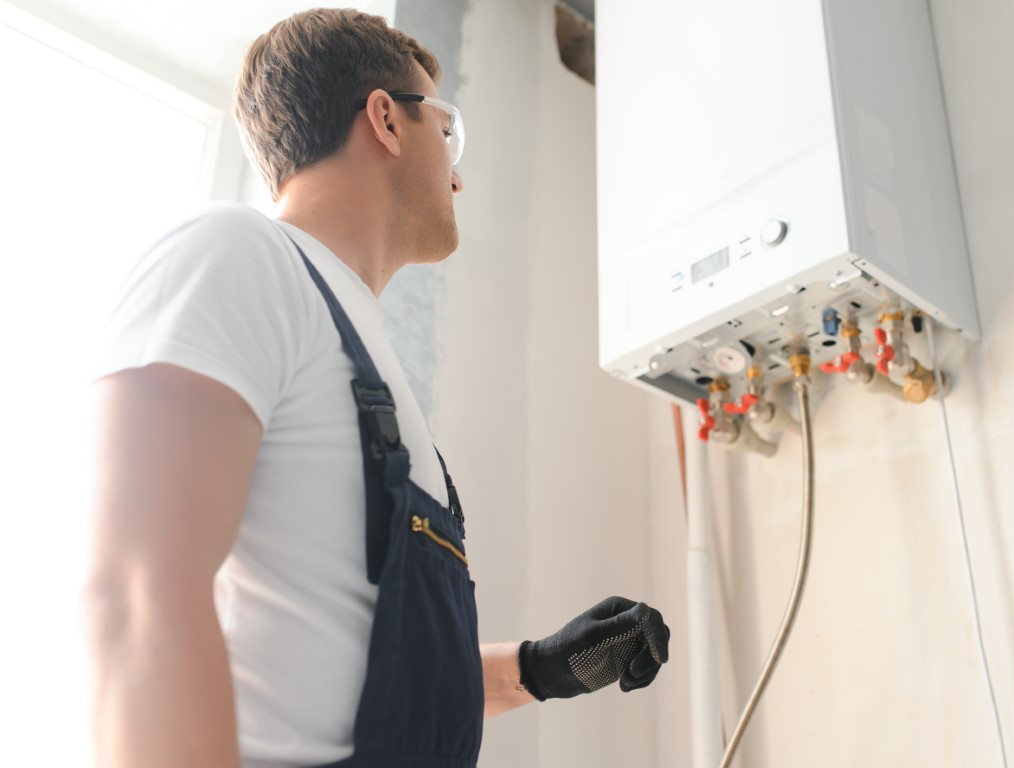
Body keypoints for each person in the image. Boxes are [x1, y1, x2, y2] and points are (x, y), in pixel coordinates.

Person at [85, 8, 670, 768]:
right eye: (448, 132)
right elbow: (134, 599)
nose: (457, 173)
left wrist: (540, 669)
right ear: (387, 120)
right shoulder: (234, 256)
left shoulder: (370, 367)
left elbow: (358, 677)